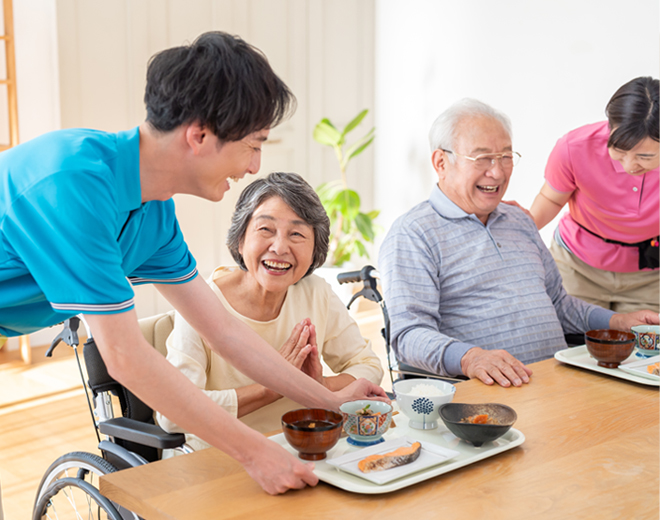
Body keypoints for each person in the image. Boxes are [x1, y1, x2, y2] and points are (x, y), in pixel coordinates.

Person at [0, 32, 386, 495]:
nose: (253, 165)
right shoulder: (72, 186)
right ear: (200, 135)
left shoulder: (154, 210)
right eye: (253, 144)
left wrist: (330, 399)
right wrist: (255, 452)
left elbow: (222, 330)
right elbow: (126, 358)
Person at [378, 98, 659, 388]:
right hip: (488, 401)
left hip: (559, 385)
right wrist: (471, 358)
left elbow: (559, 305)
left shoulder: (519, 221)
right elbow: (409, 335)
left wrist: (618, 322)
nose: (497, 172)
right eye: (482, 158)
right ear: (441, 162)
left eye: (506, 156)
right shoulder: (413, 234)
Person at [157, 172, 383, 447]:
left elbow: (367, 365)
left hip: (302, 447)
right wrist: (275, 386)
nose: (279, 247)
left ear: (315, 250)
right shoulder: (199, 301)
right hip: (221, 457)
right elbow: (173, 414)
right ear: (240, 240)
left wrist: (318, 388)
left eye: (297, 234)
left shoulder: (315, 292)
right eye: (265, 229)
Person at [528, 77, 659, 313]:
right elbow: (551, 199)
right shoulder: (574, 147)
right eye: (619, 150)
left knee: (643, 347)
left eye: (645, 157)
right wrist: (515, 234)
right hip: (576, 266)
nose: (630, 164)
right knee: (569, 346)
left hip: (650, 276)